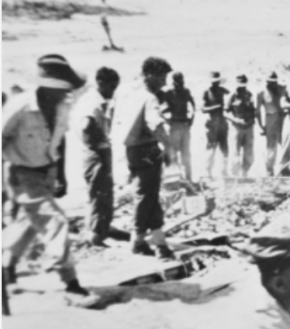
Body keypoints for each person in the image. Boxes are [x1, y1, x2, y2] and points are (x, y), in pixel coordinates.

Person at [2, 55, 91, 313]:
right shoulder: (20, 106)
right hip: (22, 174)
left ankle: (6, 267)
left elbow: (60, 141)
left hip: (47, 172)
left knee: (29, 224)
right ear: (46, 85)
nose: (65, 93)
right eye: (61, 87)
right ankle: (71, 285)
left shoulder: (62, 106)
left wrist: (61, 175)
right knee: (55, 221)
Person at [124, 57, 176, 259]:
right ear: (150, 76)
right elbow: (155, 124)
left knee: (150, 194)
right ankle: (137, 240)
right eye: (162, 77)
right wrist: (169, 147)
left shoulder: (130, 93)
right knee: (146, 196)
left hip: (132, 151)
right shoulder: (149, 98)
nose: (164, 82)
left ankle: (158, 240)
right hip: (146, 149)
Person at [81, 67, 121, 247]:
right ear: (100, 83)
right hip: (96, 152)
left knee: (105, 192)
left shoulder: (100, 100)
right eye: (111, 86)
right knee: (99, 193)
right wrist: (99, 144)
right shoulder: (93, 102)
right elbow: (86, 126)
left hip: (100, 151)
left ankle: (102, 228)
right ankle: (96, 236)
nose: (113, 91)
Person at [162, 71, 196, 182]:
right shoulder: (169, 93)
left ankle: (188, 178)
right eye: (177, 81)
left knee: (186, 154)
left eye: (180, 81)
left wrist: (191, 120)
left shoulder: (186, 92)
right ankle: (176, 179)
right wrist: (167, 120)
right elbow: (160, 109)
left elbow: (193, 106)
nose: (179, 84)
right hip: (176, 125)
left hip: (184, 126)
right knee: (174, 154)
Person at [226, 75, 256, 178]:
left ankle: (245, 174)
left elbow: (253, 109)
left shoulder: (249, 95)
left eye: (243, 85)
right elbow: (225, 112)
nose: (241, 88)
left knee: (249, 153)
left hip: (248, 127)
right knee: (235, 154)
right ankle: (235, 176)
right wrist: (236, 120)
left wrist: (251, 120)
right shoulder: (232, 96)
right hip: (236, 128)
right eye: (239, 85)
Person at [257, 73, 287, 177]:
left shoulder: (281, 89)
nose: (272, 84)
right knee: (271, 146)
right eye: (270, 82)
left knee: (283, 144)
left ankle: (283, 169)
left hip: (282, 118)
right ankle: (270, 170)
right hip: (270, 118)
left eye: (274, 82)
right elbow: (257, 112)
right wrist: (261, 126)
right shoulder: (262, 92)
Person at [202, 72, 230, 179]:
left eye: (217, 81)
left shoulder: (223, 90)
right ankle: (208, 173)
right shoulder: (207, 92)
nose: (215, 83)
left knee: (224, 148)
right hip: (212, 123)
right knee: (210, 148)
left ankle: (224, 171)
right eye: (214, 82)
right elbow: (203, 109)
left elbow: (231, 97)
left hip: (222, 123)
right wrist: (217, 107)